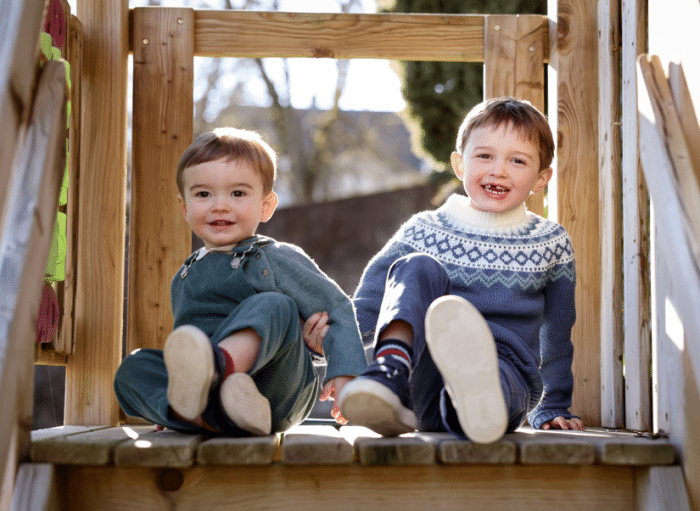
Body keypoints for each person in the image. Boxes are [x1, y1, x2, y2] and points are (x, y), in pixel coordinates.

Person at [308, 97, 584, 443]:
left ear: (541, 178)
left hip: (504, 379)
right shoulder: (423, 231)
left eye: (517, 160)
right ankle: (388, 376)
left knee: (491, 385)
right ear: (459, 164)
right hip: (423, 374)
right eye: (484, 156)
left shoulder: (550, 242)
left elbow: (556, 335)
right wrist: (330, 345)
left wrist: (553, 406)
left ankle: (465, 406)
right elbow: (371, 305)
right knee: (415, 267)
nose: (498, 170)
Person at [113, 128, 367, 435]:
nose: (219, 205)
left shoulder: (273, 258)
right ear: (185, 207)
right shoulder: (185, 276)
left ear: (265, 205)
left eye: (237, 194)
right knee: (133, 369)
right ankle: (189, 412)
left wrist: (345, 372)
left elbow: (336, 308)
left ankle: (214, 373)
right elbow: (188, 343)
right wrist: (172, 393)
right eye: (203, 194)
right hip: (218, 409)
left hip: (276, 392)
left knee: (274, 306)